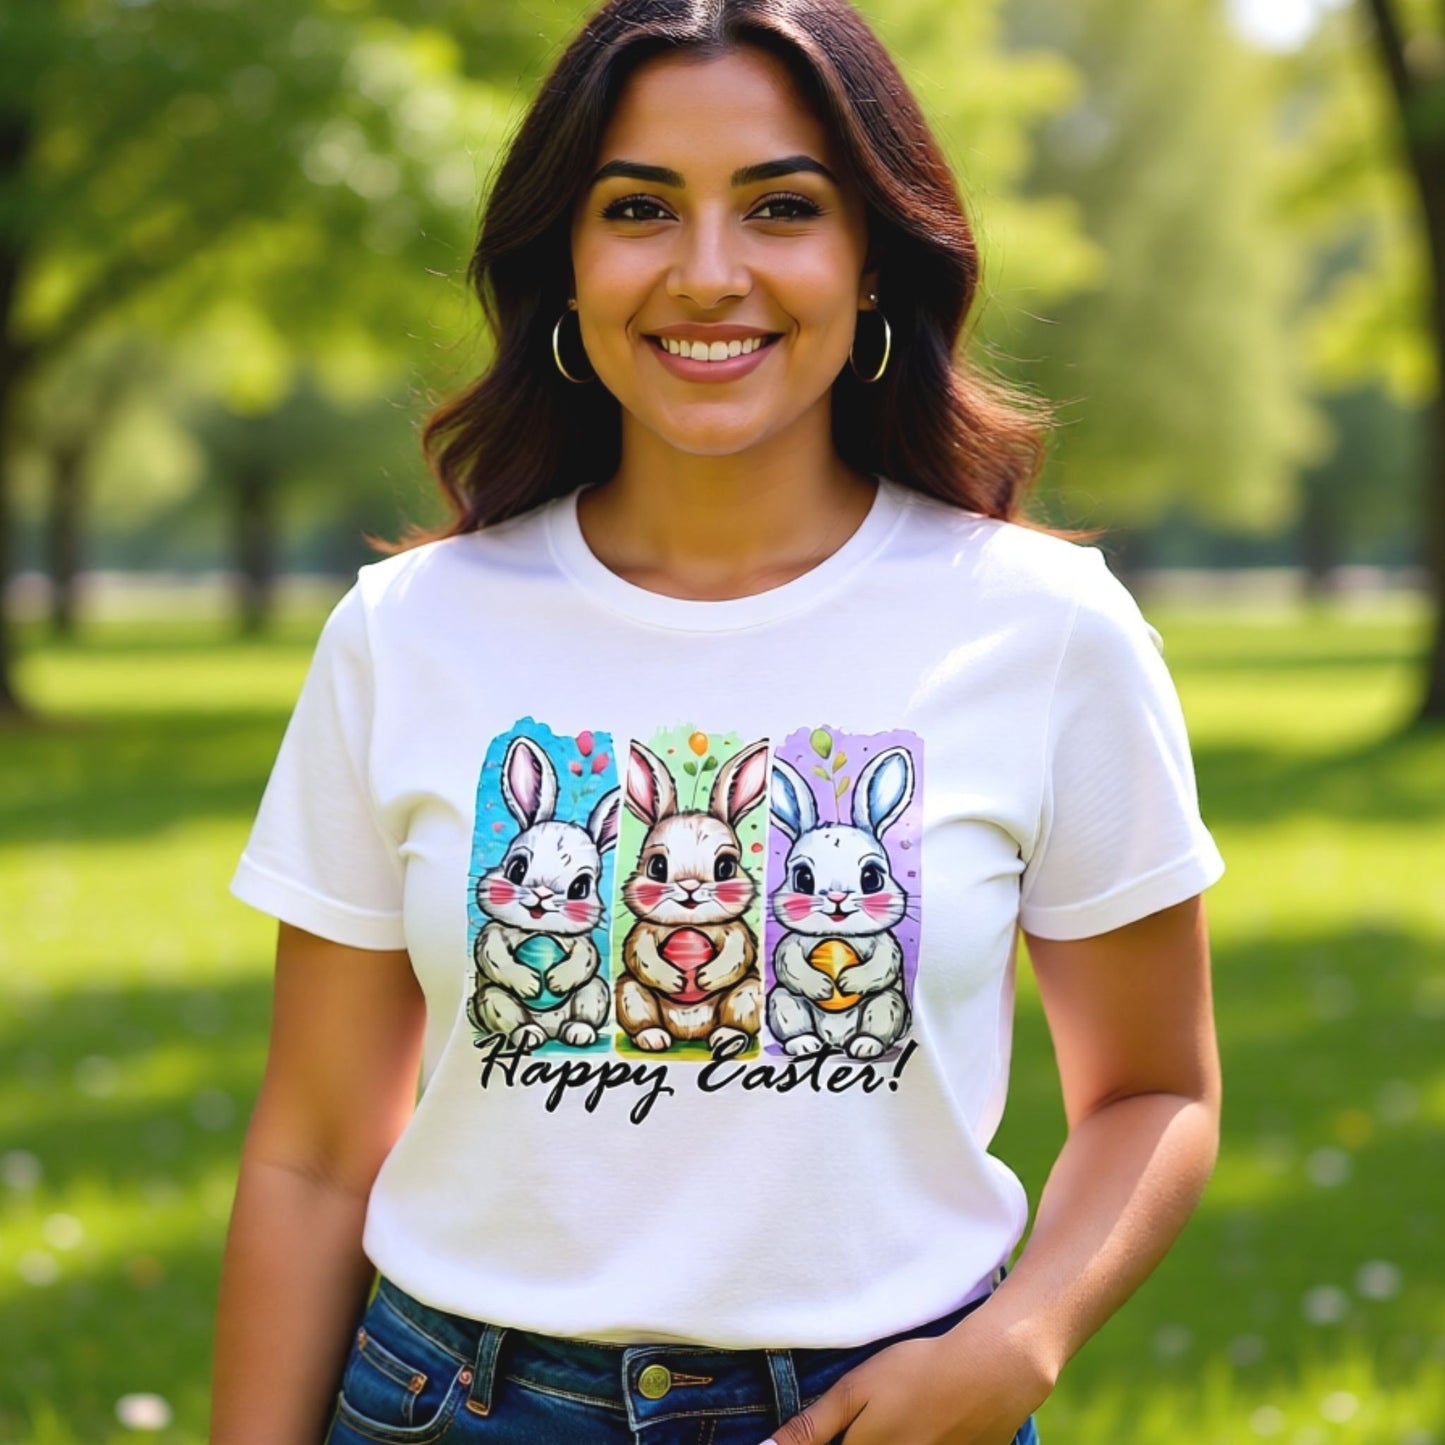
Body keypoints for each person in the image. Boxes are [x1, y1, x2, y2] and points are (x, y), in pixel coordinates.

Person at [209, 1, 1226, 1442]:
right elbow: (313, 1153)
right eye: (638, 208)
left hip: (894, 1404)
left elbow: (1154, 1087)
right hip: (455, 1405)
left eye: (781, 207)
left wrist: (1017, 1342)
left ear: (869, 257)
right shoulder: (408, 633)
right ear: (563, 256)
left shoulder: (1045, 628)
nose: (706, 273)